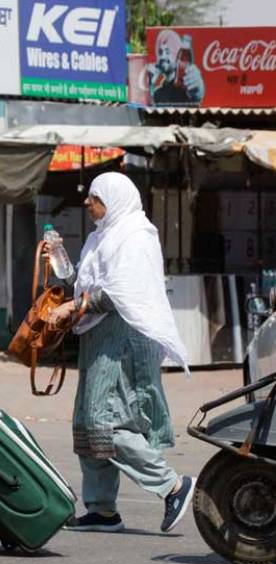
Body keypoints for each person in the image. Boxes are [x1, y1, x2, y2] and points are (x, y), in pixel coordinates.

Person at [47, 172, 196, 533]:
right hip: (100, 337)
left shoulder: (135, 236)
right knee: (86, 422)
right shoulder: (103, 237)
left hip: (124, 339)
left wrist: (73, 308)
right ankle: (102, 510)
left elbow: (120, 292)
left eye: (94, 197)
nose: (87, 203)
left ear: (113, 200)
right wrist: (58, 257)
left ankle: (172, 485)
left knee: (108, 423)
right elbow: (84, 280)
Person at [149, 28, 204, 106]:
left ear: (177, 55)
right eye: (160, 52)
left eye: (168, 52)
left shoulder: (185, 85)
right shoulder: (158, 93)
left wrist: (198, 86)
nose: (163, 57)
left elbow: (197, 94)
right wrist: (150, 84)